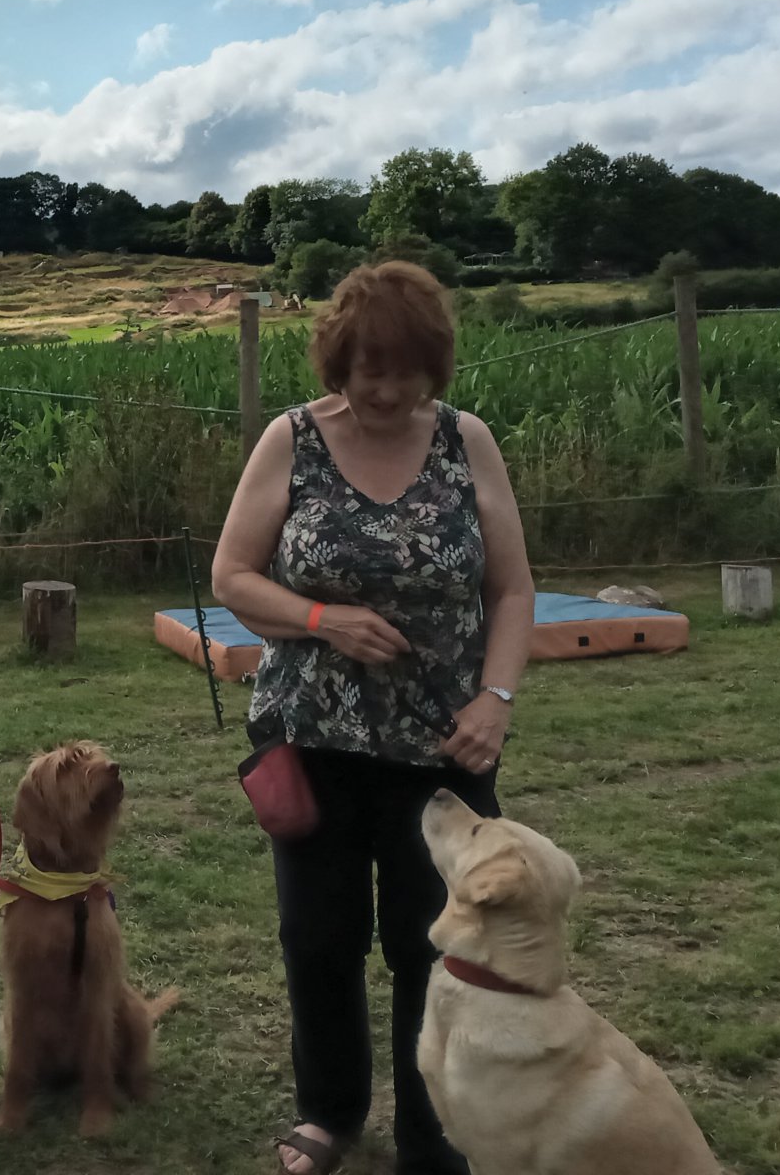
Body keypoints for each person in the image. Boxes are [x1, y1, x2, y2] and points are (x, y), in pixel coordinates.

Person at [210, 262, 535, 1175]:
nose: (386, 390)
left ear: (435, 365)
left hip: (444, 742)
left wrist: (495, 700)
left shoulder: (468, 442)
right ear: (337, 363)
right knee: (318, 936)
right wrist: (324, 620)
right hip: (310, 739)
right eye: (366, 370)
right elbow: (232, 577)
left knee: (438, 941)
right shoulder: (293, 440)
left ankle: (434, 1130)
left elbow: (512, 589)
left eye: (404, 371)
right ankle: (330, 1112)